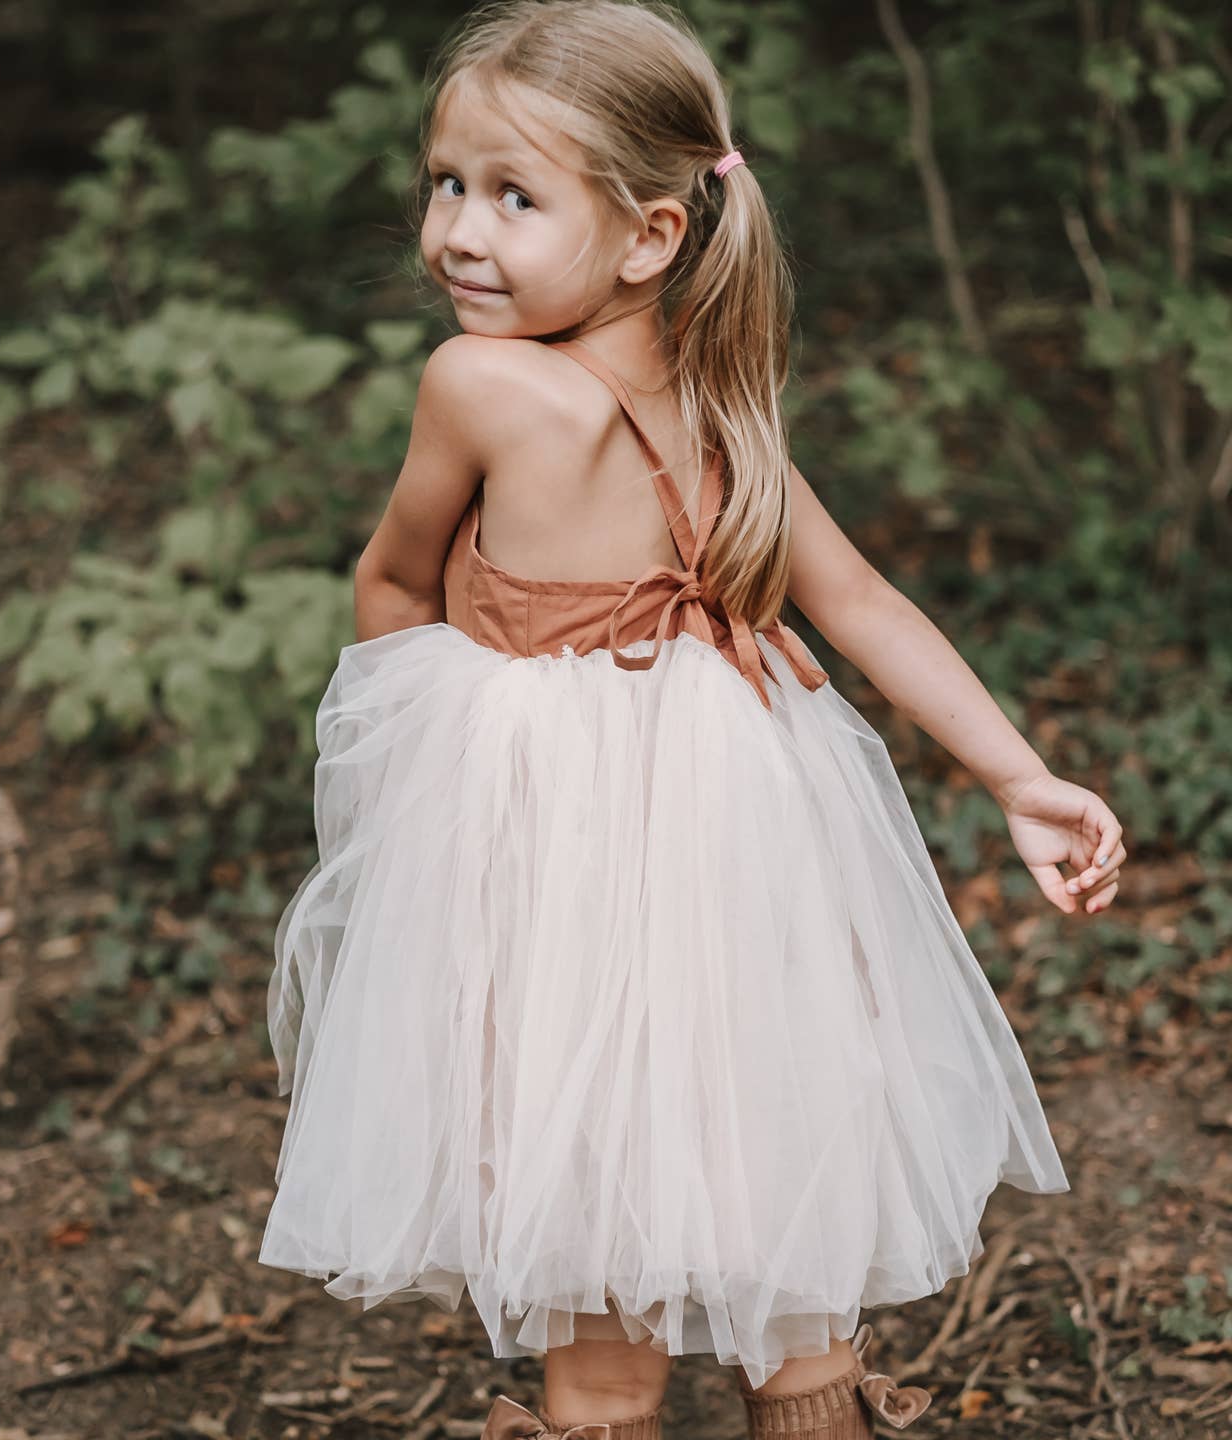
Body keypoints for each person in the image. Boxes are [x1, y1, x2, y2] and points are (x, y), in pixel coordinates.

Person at [257, 3, 1126, 1437]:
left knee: (590, 1268)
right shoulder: (723, 390)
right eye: (448, 185)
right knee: (770, 1208)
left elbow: (393, 584)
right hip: (739, 830)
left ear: (651, 233)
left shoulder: (478, 383)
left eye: (514, 197)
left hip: (572, 846)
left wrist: (421, 829)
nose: (460, 232)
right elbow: (862, 601)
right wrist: (1019, 777)